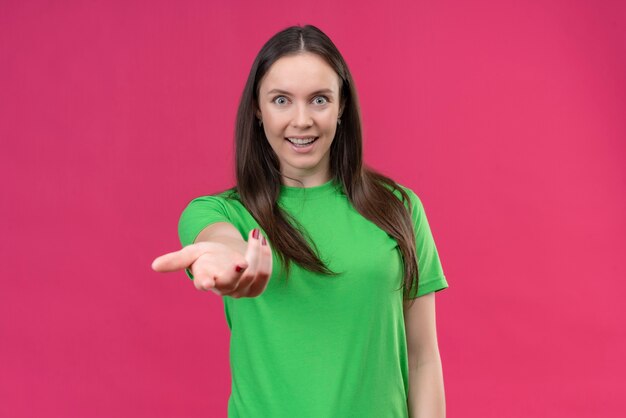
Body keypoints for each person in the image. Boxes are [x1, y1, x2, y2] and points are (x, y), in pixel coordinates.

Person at [152, 24, 449, 418]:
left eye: (319, 100)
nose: (302, 120)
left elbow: (422, 359)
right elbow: (220, 241)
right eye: (281, 100)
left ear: (342, 106)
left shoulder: (399, 208)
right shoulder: (223, 212)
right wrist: (229, 257)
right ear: (257, 109)